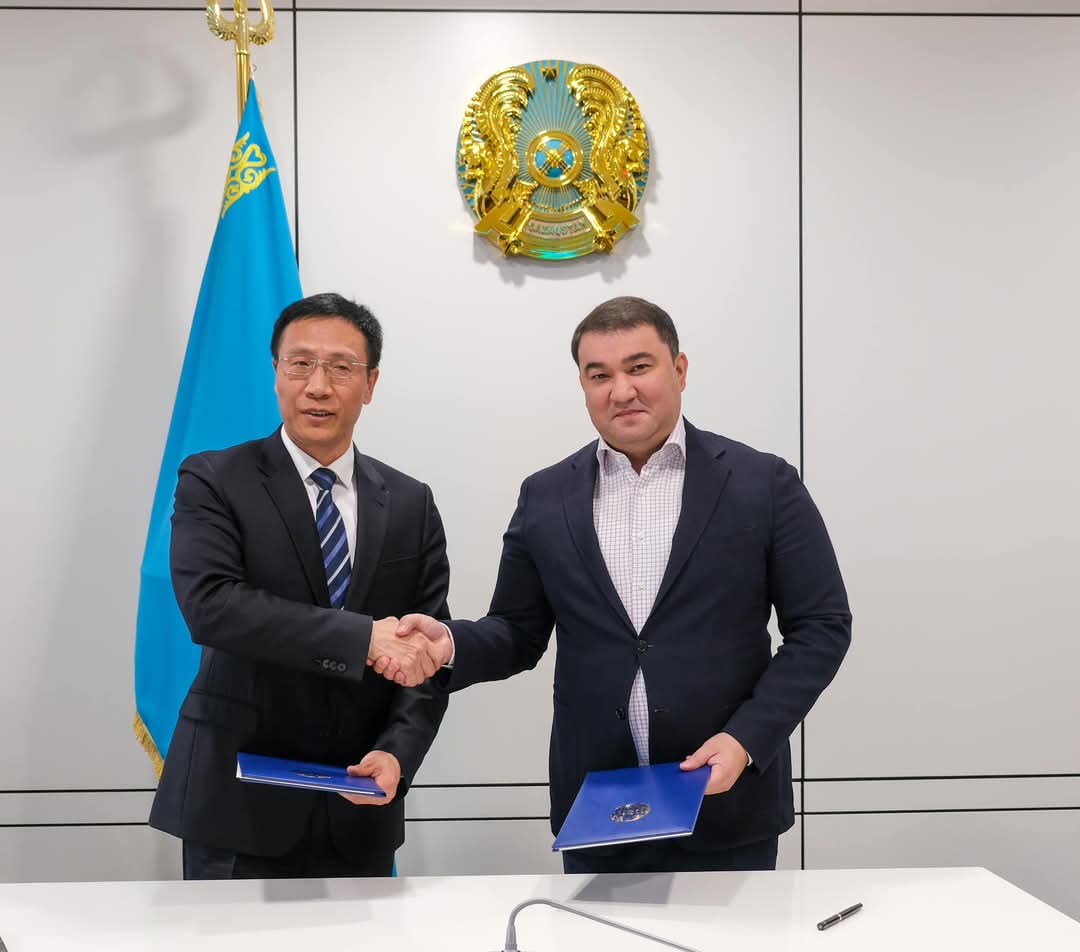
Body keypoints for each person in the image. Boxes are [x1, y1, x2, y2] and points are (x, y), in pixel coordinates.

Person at [379, 296, 852, 874]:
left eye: (639, 367)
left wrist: (747, 739)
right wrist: (449, 644)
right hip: (599, 807)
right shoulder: (545, 494)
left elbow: (822, 627)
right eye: (598, 375)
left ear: (679, 369)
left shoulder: (764, 482)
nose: (621, 390)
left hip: (726, 798)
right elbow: (517, 632)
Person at [150, 292, 450, 879]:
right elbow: (212, 607)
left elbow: (426, 649)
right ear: (276, 373)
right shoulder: (214, 478)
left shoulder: (410, 502)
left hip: (358, 805)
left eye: (341, 367)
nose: (318, 386)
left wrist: (398, 752)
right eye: (301, 364)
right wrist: (361, 638)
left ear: (370, 383)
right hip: (237, 803)